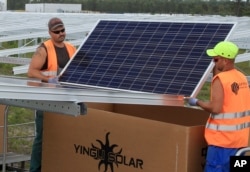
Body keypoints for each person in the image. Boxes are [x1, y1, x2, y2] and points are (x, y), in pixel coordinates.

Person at [188, 41, 250, 172]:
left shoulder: (220, 80)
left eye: (216, 59)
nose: (213, 62)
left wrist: (196, 102)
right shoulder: (241, 77)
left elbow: (215, 108)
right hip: (241, 142)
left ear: (226, 60)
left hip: (222, 142)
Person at [27, 17, 76, 172]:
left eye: (63, 30)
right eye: (57, 32)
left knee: (62, 136)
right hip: (46, 100)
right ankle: (35, 169)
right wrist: (48, 79)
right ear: (50, 32)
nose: (61, 34)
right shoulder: (44, 49)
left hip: (64, 99)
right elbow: (31, 71)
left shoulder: (71, 48)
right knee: (42, 137)